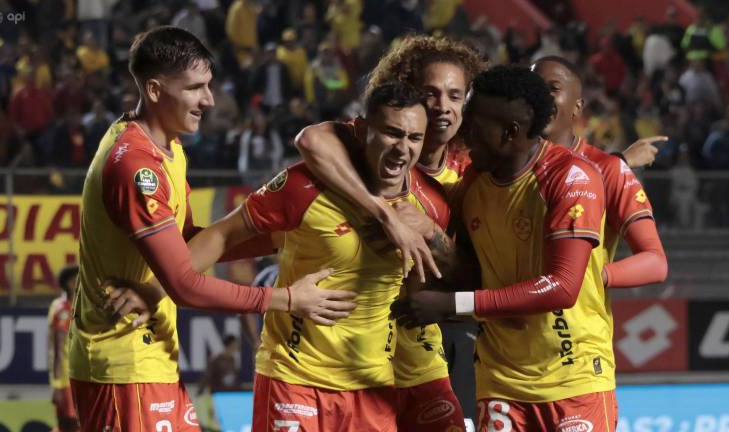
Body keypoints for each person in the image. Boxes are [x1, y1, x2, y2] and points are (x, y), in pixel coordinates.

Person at [68, 26, 353, 431]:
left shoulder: (167, 146)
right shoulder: (136, 166)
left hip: (150, 358)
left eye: (209, 85)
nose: (210, 99)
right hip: (121, 364)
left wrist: (277, 237)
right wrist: (287, 299)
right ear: (154, 90)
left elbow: (184, 242)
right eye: (195, 88)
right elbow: (183, 283)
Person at [180, 82, 451, 431]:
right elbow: (223, 234)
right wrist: (155, 287)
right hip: (294, 379)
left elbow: (455, 278)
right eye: (392, 133)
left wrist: (434, 235)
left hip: (373, 389)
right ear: (364, 129)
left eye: (414, 138)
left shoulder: (430, 204)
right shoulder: (302, 186)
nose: (403, 149)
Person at [394, 65, 615, 430]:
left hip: (573, 379)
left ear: (510, 132)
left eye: (475, 127)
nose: (464, 136)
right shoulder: (473, 186)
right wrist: (432, 239)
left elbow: (562, 287)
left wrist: (451, 304)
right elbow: (472, 274)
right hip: (500, 384)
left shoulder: (571, 178)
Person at [296, 34, 485, 429]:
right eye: (430, 93)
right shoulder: (376, 152)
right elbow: (311, 139)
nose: (443, 107)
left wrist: (432, 235)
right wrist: (386, 214)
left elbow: (475, 277)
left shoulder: (468, 179)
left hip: (421, 348)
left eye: (455, 95)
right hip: (348, 355)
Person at [530, 56, 668, 288]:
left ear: (577, 106)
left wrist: (585, 279)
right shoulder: (501, 164)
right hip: (506, 319)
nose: (540, 98)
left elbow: (655, 262)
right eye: (532, 88)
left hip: (578, 322)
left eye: (552, 89)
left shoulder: (608, 168)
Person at [48, 265, 80, 432]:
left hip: (82, 374)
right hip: (67, 378)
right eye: (75, 279)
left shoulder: (83, 304)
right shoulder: (62, 309)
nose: (79, 282)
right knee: (70, 424)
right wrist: (56, 383)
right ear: (68, 283)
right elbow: (57, 348)